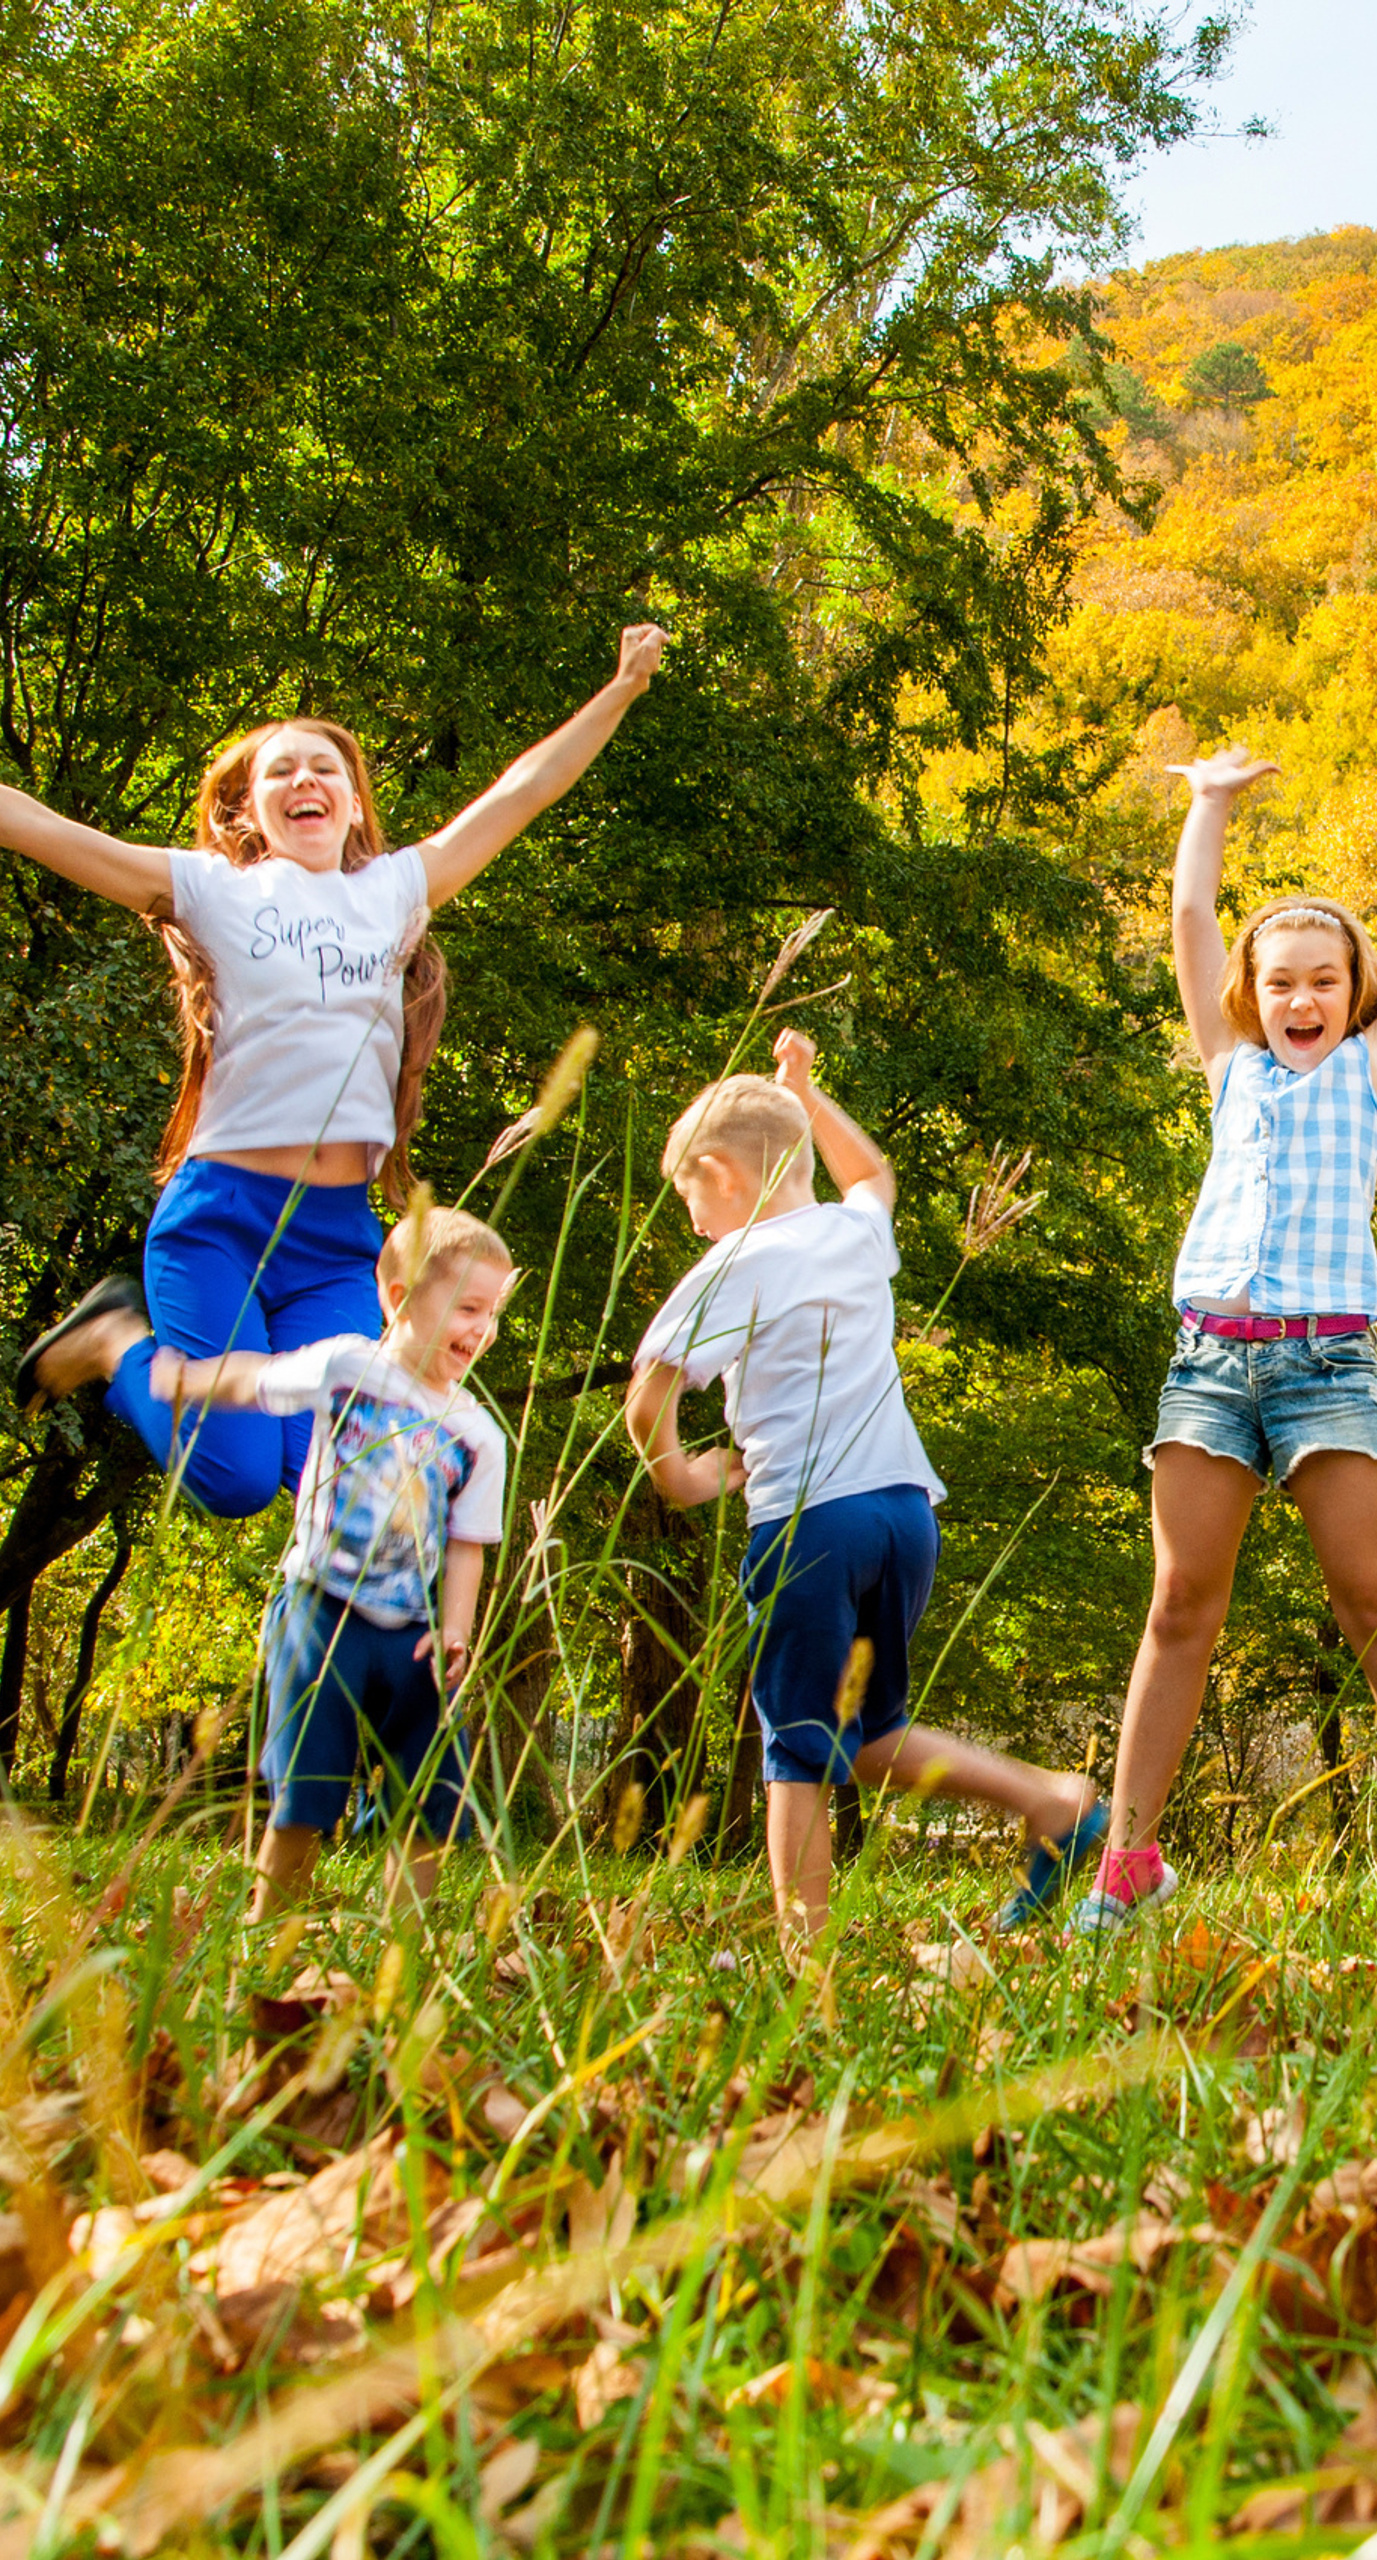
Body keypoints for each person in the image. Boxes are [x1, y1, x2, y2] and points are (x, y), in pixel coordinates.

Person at [9, 625, 667, 1515]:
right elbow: (49, 830)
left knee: (332, 1466)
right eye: (278, 772)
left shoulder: (396, 890)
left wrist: (622, 690)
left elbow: (523, 792)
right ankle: (117, 1341)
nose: (303, 781)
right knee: (236, 1482)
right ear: (250, 812)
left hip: (332, 1240)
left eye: (324, 769)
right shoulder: (211, 889)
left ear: (354, 804)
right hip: (221, 1225)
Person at [1078, 751, 1377, 1936]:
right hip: (1210, 1362)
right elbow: (1188, 915)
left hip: (1329, 1364)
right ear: (1251, 992)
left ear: (1351, 994)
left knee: (1372, 1594)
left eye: (1322, 981)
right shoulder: (1228, 1071)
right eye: (1279, 979)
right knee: (1181, 1600)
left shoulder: (1373, 1075)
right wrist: (1208, 804)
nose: (1299, 998)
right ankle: (1127, 1862)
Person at [624, 1031, 1103, 1957]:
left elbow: (649, 1394)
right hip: (902, 1513)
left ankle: (804, 1954)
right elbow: (873, 1176)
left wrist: (680, 1475)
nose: (691, 1223)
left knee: (795, 1749)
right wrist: (806, 1092)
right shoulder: (852, 1234)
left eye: (690, 1197)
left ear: (722, 1174)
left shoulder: (732, 1263)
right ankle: (1049, 1802)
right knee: (867, 1739)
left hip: (811, 1523)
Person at [89, 1205, 516, 1918]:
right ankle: (271, 1915)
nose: (483, 1329)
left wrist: (457, 1630)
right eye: (468, 1307)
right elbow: (258, 1379)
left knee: (430, 1783)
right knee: (307, 1778)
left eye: (493, 1312)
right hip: (320, 1609)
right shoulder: (349, 1367)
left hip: (412, 1630)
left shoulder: (477, 1435)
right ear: (399, 1296)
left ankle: (403, 1932)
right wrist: (185, 1380)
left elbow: (469, 1543)